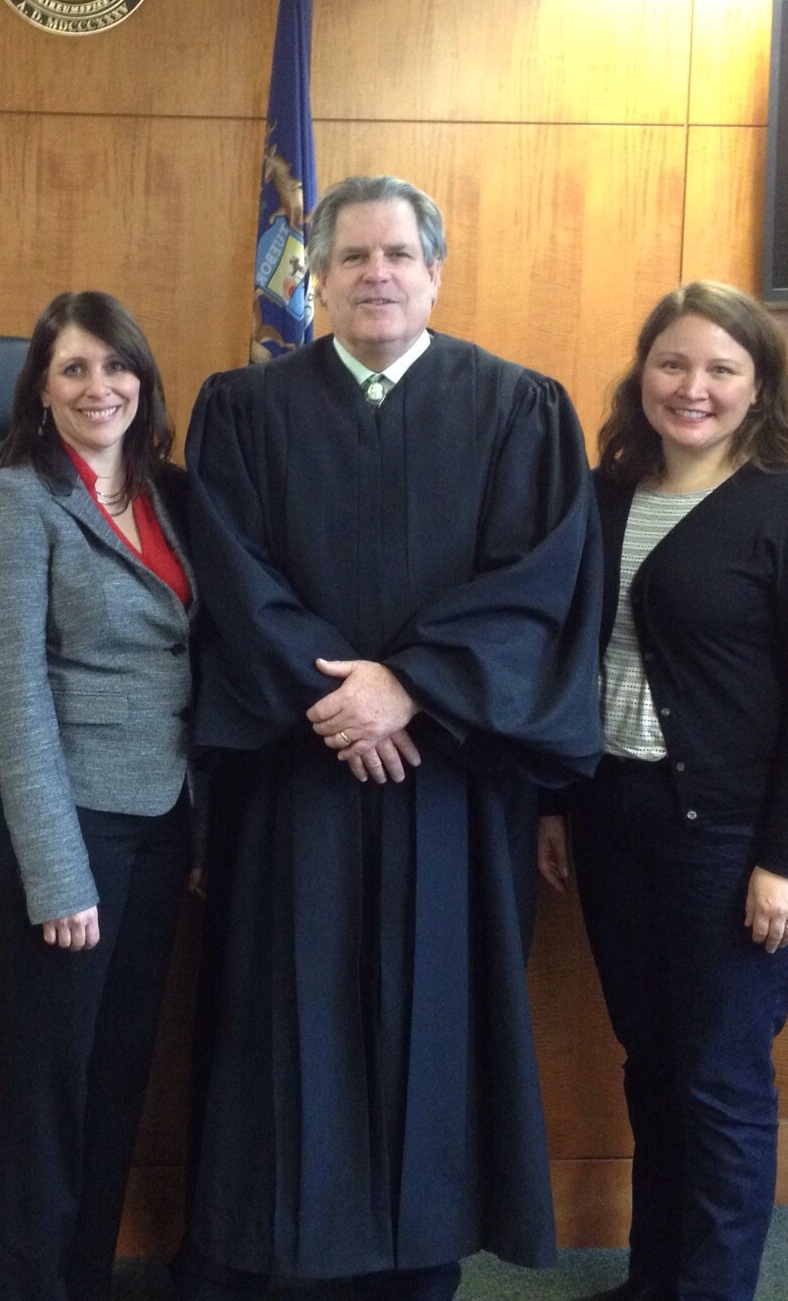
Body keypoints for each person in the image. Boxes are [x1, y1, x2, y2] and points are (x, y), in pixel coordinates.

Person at [176, 175, 605, 1300]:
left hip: (450, 780)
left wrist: (410, 688)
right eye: (353, 256)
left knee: (439, 1024)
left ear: (435, 273)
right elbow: (231, 577)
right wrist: (340, 699)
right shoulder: (245, 410)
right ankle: (287, 1256)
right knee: (293, 1020)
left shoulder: (519, 410)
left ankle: (418, 1264)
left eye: (398, 255)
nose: (376, 274)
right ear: (315, 277)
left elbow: (539, 584)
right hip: (297, 776)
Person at [536, 282, 788, 1301]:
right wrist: (554, 803)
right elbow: (562, 662)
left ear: (759, 387)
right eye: (672, 363)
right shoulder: (601, 496)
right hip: (611, 818)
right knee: (650, 1063)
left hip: (731, 842)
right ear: (641, 374)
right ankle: (655, 1281)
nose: (693, 387)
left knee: (718, 1082)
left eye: (722, 369)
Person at [0, 291, 198, 1301]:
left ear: (142, 379)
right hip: (64, 824)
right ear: (41, 390)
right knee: (47, 1083)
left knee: (117, 1074)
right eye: (73, 369)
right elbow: (12, 694)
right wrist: (55, 875)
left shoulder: (166, 494)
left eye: (116, 365)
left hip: (159, 819)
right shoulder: (13, 501)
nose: (99, 386)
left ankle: (82, 1280)